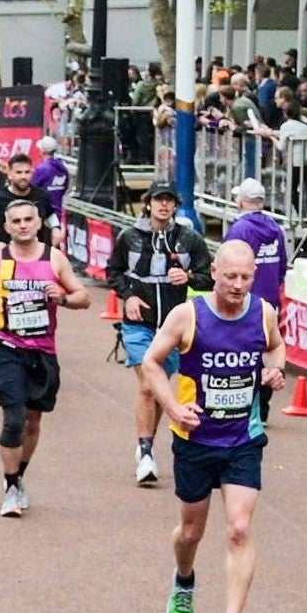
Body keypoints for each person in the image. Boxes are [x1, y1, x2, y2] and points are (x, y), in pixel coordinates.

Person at [138, 240, 287, 613]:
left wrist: (275, 369)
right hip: (196, 439)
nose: (238, 286)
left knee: (240, 527)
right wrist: (172, 408)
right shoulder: (188, 315)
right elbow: (152, 363)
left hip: (243, 438)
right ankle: (184, 579)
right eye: (231, 277)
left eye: (246, 277)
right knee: (191, 532)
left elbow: (276, 345)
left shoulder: (263, 313)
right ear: (215, 275)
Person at [0, 200, 92, 517]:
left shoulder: (54, 259)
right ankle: (10, 487)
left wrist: (63, 298)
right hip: (8, 347)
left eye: (29, 220)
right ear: (7, 227)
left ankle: (18, 477)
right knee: (13, 417)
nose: (23, 225)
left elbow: (84, 297)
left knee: (33, 420)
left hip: (43, 351)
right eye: (17, 221)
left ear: (39, 224)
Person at [109, 184, 214, 486]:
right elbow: (113, 271)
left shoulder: (189, 239)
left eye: (170, 201)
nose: (164, 206)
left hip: (172, 328)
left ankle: (147, 445)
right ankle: (145, 453)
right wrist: (127, 296)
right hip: (140, 323)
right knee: (147, 384)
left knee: (157, 388)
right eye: (159, 200)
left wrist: (190, 277)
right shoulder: (128, 237)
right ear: (148, 204)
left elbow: (208, 278)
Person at [224, 178, 289, 320]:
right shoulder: (277, 229)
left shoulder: (239, 230)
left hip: (244, 304)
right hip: (271, 304)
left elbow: (227, 268)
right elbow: (282, 268)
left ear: (240, 201)